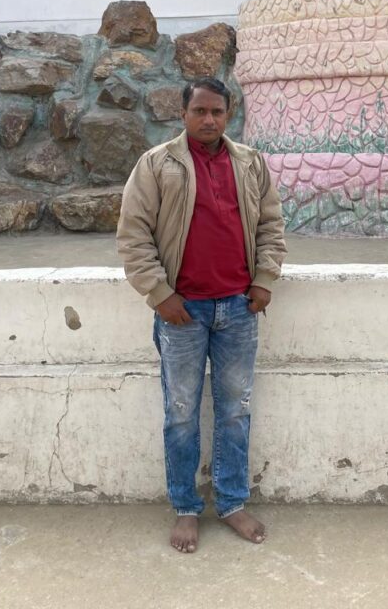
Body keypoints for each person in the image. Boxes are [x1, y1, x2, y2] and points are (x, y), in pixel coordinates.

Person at [117, 76, 286, 553]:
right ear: (183, 114)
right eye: (200, 112)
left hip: (238, 307)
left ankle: (231, 503)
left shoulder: (250, 164)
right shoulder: (157, 165)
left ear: (228, 114)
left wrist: (264, 279)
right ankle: (186, 508)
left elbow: (271, 225)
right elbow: (133, 235)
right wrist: (159, 293)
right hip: (181, 314)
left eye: (217, 112)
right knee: (181, 414)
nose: (209, 120)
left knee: (235, 412)